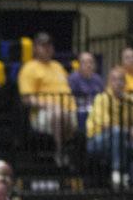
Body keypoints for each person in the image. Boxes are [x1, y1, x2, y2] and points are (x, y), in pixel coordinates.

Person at [18, 32, 76, 166]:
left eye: (49, 45)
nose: (47, 48)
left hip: (69, 110)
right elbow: (26, 99)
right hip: (41, 114)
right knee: (58, 114)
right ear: (35, 48)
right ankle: (60, 151)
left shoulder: (58, 66)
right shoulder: (29, 68)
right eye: (43, 45)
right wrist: (49, 105)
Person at [86, 67, 133, 186]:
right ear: (109, 82)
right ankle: (117, 171)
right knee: (116, 132)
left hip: (120, 140)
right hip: (96, 140)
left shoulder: (131, 99)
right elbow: (105, 125)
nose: (118, 83)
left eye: (121, 80)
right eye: (114, 80)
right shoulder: (101, 98)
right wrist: (127, 130)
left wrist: (132, 131)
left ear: (125, 83)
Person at [68, 52, 104, 128]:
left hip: (96, 109)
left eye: (91, 62)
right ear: (79, 65)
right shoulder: (73, 79)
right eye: (84, 62)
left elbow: (102, 96)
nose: (88, 65)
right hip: (79, 110)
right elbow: (69, 97)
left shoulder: (98, 79)